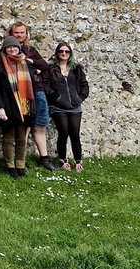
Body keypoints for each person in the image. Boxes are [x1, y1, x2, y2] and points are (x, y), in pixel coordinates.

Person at [10, 21, 54, 170]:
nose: (19, 35)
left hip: (38, 90)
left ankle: (44, 157)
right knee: (25, 126)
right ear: (11, 34)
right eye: (16, 33)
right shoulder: (9, 51)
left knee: (40, 124)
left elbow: (44, 66)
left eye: (22, 32)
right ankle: (21, 157)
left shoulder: (30, 50)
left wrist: (30, 61)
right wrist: (32, 68)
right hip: (22, 91)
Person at [0, 36, 35, 177]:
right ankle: (10, 165)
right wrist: (0, 107)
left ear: (19, 48)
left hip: (24, 105)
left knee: (22, 137)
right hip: (7, 104)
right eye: (9, 47)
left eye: (14, 47)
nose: (12, 49)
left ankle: (20, 164)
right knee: (9, 137)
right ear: (4, 49)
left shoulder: (26, 64)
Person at [48, 41, 90, 172]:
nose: (64, 54)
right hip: (58, 106)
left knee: (75, 133)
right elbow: (46, 87)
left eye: (66, 51)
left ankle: (78, 161)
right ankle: (63, 160)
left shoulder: (76, 69)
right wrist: (56, 97)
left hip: (74, 106)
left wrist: (80, 98)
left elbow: (84, 85)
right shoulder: (51, 69)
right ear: (57, 53)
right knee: (64, 132)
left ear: (70, 53)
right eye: (61, 51)